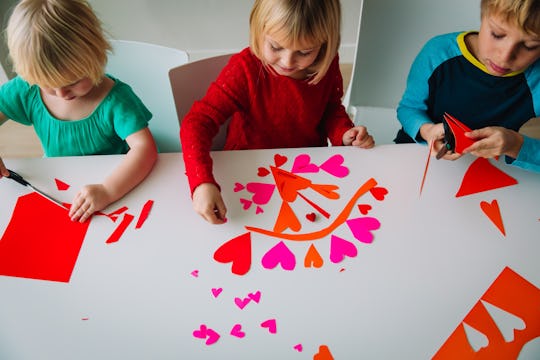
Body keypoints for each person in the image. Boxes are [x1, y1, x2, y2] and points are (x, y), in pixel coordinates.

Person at [180, 0, 375, 224]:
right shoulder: (245, 69)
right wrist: (201, 182)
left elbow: (330, 109)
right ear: (258, 30)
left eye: (304, 52)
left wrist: (344, 133)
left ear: (325, 44)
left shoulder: (327, 65)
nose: (287, 61)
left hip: (305, 171)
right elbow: (197, 122)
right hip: (247, 172)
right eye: (275, 47)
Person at [0, 0, 158, 222]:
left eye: (72, 81)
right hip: (61, 185)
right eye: (48, 84)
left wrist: (108, 190)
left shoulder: (117, 100)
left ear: (95, 56)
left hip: (119, 184)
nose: (62, 93)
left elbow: (145, 149)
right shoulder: (28, 88)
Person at [395, 0, 540, 173]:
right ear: (483, 15)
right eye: (497, 34)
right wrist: (427, 130)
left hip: (491, 173)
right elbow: (408, 108)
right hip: (417, 156)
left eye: (529, 46)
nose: (505, 57)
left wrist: (515, 144)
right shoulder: (437, 52)